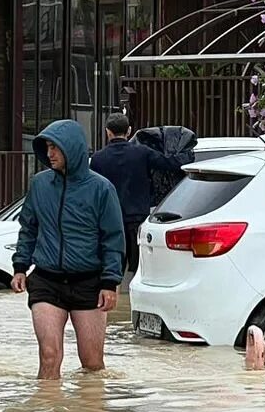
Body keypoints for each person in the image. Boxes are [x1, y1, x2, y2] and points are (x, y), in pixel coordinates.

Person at [11, 120, 126, 380]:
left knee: (92, 363)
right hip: (46, 281)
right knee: (49, 355)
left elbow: (113, 239)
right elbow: (29, 227)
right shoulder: (39, 185)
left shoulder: (101, 189)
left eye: (56, 148)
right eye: (48, 148)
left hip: (89, 282)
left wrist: (110, 282)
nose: (50, 154)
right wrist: (20, 266)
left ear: (72, 149)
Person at [88, 113, 180, 274]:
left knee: (111, 269)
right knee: (140, 269)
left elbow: (92, 190)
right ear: (129, 130)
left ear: (107, 132)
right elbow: (170, 164)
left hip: (110, 221)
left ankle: (112, 296)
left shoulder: (97, 159)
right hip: (138, 219)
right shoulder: (142, 153)